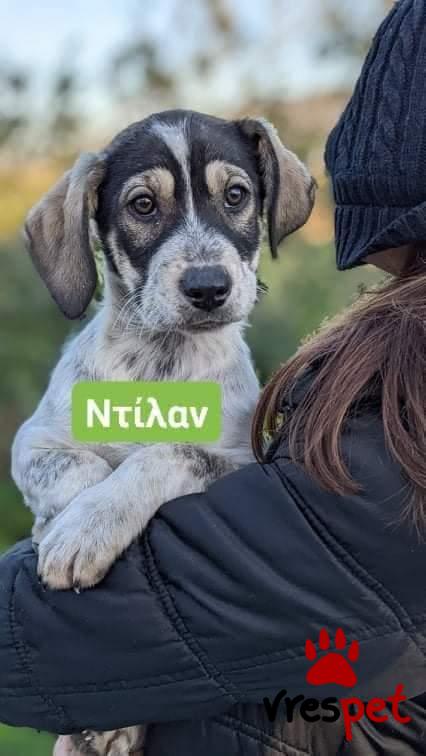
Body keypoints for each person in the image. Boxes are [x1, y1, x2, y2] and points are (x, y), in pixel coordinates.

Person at [1, 0, 426, 753]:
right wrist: (86, 500)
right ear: (92, 228)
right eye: (145, 207)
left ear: (265, 204)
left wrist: (152, 474)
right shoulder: (99, 390)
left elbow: (229, 502)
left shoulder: (345, 412)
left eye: (233, 198)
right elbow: (42, 451)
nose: (203, 263)